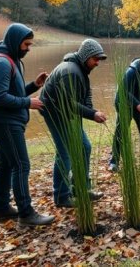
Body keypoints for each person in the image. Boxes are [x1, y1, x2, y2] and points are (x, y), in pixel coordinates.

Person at [0, 23, 55, 227]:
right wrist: (28, 103)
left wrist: (34, 85)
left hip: (6, 122)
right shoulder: (1, 63)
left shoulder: (11, 60)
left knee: (6, 164)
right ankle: (26, 213)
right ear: (16, 42)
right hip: (6, 123)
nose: (28, 48)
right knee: (21, 165)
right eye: (26, 44)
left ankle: (1, 209)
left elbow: (13, 94)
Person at [40, 39, 108, 208]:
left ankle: (81, 188)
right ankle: (61, 196)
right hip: (55, 112)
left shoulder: (81, 70)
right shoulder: (70, 71)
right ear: (85, 56)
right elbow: (68, 103)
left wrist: (91, 109)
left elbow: (85, 96)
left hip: (67, 112)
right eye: (95, 59)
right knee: (65, 152)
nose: (97, 63)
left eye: (99, 59)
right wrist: (93, 114)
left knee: (84, 146)